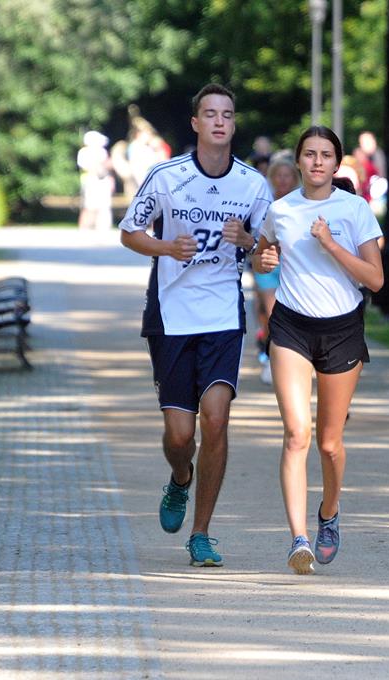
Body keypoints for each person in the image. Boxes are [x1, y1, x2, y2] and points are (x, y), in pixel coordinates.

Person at [119, 83, 272, 568]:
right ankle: (180, 478)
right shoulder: (167, 176)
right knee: (181, 436)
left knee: (217, 419)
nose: (219, 121)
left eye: (227, 114)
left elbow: (269, 251)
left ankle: (201, 533)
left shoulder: (253, 185)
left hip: (223, 315)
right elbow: (129, 232)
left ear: (234, 123)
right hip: (170, 314)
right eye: (210, 114)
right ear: (196, 123)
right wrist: (166, 247)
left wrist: (248, 241)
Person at [252, 126, 384, 575]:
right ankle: (299, 538)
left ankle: (329, 512)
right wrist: (264, 260)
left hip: (342, 329)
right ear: (298, 161)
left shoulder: (354, 209)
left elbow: (375, 279)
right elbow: (262, 253)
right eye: (309, 154)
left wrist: (330, 244)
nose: (316, 162)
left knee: (329, 444)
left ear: (336, 163)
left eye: (325, 155)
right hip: (291, 327)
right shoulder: (281, 210)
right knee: (297, 434)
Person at [253, 157, 301, 385]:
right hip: (267, 265)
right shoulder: (264, 204)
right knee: (273, 314)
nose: (283, 180)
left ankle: (293, 360)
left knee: (294, 315)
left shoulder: (302, 204)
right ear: (271, 178)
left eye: (287, 175)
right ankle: (272, 359)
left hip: (294, 267)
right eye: (278, 175)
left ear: (295, 178)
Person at [77, 130, 114, 230]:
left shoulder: (102, 152)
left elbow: (107, 167)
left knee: (104, 206)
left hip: (103, 181)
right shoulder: (84, 152)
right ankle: (85, 228)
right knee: (89, 206)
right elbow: (86, 167)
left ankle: (103, 227)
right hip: (90, 181)